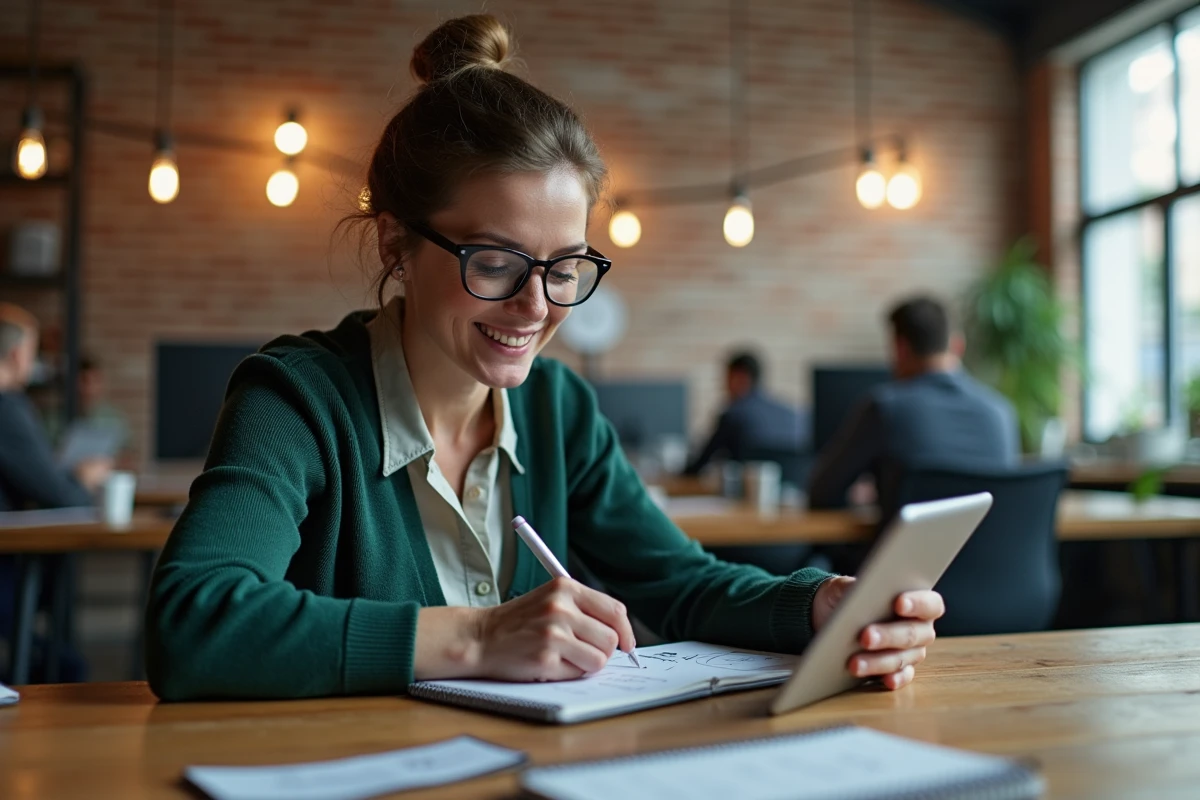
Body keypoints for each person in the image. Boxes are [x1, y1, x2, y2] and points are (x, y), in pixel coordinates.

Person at [145, 15, 943, 701]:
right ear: (396, 241)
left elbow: (680, 580)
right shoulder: (297, 399)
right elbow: (193, 622)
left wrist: (822, 607)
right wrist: (478, 639)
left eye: (565, 268)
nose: (537, 306)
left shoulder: (557, 407)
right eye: (494, 262)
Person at [808, 295, 1020, 515]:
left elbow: (821, 493)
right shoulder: (1001, 411)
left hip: (909, 549)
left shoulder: (885, 409)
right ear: (958, 345)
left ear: (900, 348)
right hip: (991, 549)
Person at [0, 304, 112, 511]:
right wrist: (82, 481)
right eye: (33, 352)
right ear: (16, 355)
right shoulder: (7, 409)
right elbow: (62, 498)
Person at [684, 351, 808, 475]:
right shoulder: (795, 415)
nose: (724, 387)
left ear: (740, 378)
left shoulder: (733, 416)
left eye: (727, 379)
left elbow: (701, 463)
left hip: (746, 491)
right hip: (795, 491)